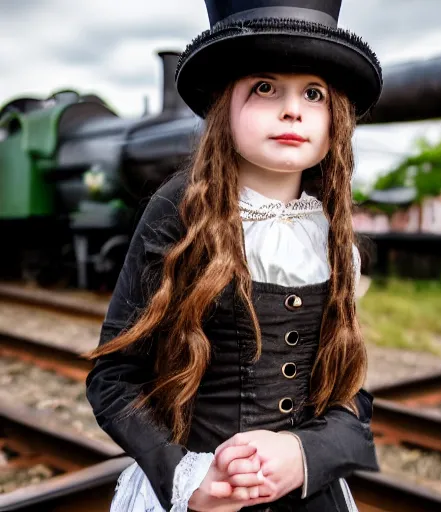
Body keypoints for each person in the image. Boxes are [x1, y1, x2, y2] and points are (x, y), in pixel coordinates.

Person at [85, 0, 383, 511]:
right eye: (265, 88)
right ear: (225, 104)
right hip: (200, 492)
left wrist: (304, 452)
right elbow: (112, 378)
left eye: (313, 93)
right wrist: (189, 477)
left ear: (335, 117)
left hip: (309, 492)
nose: (292, 109)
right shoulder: (177, 210)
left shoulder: (332, 226)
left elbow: (350, 394)